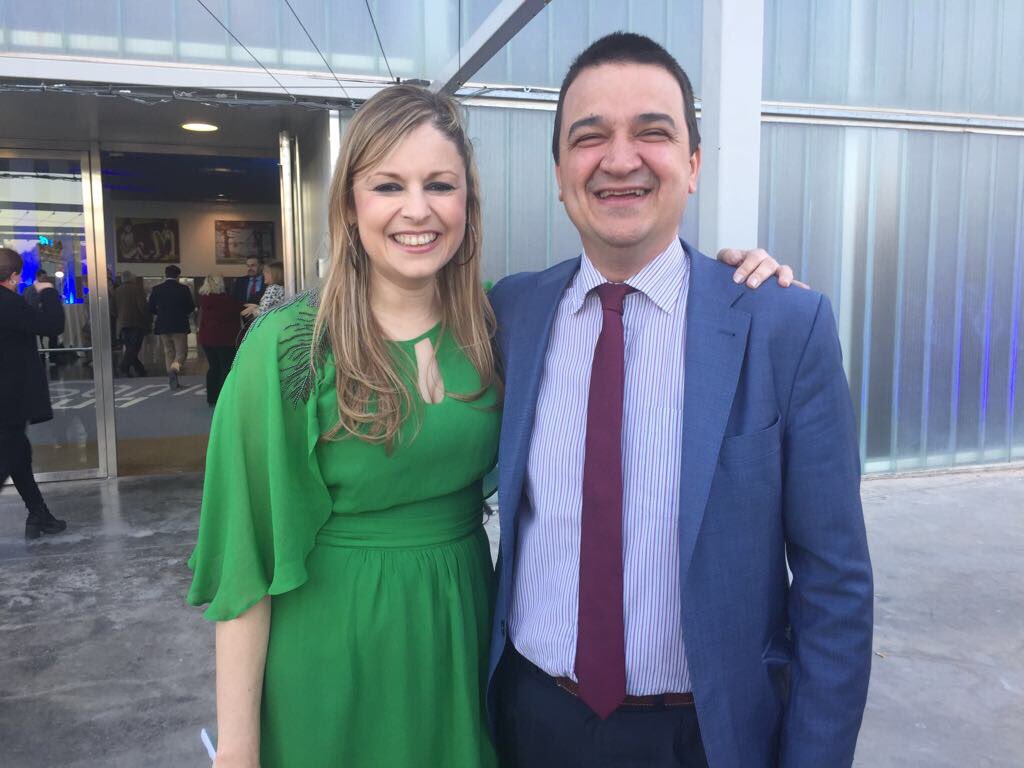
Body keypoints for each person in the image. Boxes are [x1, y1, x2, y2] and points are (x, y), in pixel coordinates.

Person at [187, 85, 789, 768]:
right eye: (388, 185)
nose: (417, 209)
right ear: (351, 208)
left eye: (439, 185)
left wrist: (738, 276)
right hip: (334, 651)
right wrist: (236, 750)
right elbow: (245, 562)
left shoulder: (499, 323)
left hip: (467, 642)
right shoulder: (291, 348)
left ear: (467, 207)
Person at [487, 33, 873, 768]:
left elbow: (835, 585)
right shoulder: (511, 314)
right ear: (560, 173)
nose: (621, 158)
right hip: (531, 721)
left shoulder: (783, 325)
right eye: (589, 136)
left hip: (707, 736)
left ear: (693, 166)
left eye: (653, 133)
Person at [0, 248, 68, 539]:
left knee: (19, 454)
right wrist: (49, 291)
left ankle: (39, 514)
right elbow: (53, 325)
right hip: (9, 396)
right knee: (10, 454)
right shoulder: (9, 303)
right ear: (14, 276)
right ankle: (39, 514)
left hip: (7, 397)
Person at [196, 274, 242, 406]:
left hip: (207, 339)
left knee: (213, 368)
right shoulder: (227, 300)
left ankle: (212, 398)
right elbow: (240, 311)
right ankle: (225, 399)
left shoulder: (204, 300)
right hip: (225, 339)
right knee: (226, 368)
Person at [148, 264, 195, 390]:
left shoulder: (157, 289)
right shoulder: (184, 289)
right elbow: (190, 306)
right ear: (178, 276)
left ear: (165, 274)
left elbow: (150, 307)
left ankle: (172, 379)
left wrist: (161, 313)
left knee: (168, 352)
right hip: (179, 325)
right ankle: (175, 369)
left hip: (163, 324)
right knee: (181, 353)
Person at [114, 270, 151, 377]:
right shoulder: (137, 290)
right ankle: (123, 367)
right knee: (134, 348)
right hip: (136, 323)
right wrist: (147, 319)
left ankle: (140, 370)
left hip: (122, 324)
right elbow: (143, 307)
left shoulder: (117, 291)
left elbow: (113, 309)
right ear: (131, 278)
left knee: (130, 347)